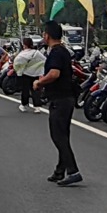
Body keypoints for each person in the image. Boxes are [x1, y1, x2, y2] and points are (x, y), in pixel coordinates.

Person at [33, 20, 82, 185]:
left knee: (58, 136)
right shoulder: (63, 51)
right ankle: (60, 171)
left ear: (47, 35)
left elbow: (54, 74)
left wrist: (39, 82)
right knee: (63, 135)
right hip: (66, 98)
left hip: (60, 99)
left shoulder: (56, 53)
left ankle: (73, 171)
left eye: (44, 33)